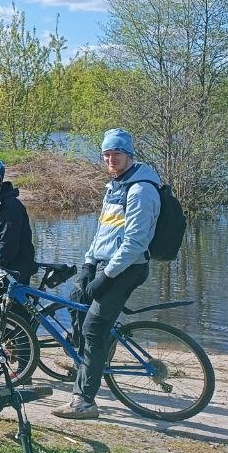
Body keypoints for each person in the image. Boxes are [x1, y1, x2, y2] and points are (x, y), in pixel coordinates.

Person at [53, 128, 160, 420]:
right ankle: (89, 362)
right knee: (76, 300)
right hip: (104, 264)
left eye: (117, 153)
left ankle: (85, 401)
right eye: (107, 154)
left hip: (127, 269)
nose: (111, 158)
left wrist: (106, 276)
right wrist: (88, 266)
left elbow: (135, 243)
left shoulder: (140, 189)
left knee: (94, 329)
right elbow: (103, 232)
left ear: (129, 154)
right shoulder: (115, 186)